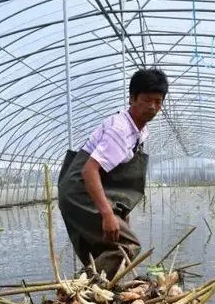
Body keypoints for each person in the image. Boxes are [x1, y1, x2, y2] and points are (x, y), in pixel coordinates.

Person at [57, 68, 169, 279]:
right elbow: (90, 170)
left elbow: (115, 178)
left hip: (86, 191)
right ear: (132, 99)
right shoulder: (121, 130)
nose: (153, 107)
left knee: (107, 247)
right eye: (146, 100)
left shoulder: (139, 131)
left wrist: (118, 213)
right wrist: (108, 214)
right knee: (127, 245)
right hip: (80, 190)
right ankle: (82, 290)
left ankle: (93, 291)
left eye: (158, 101)